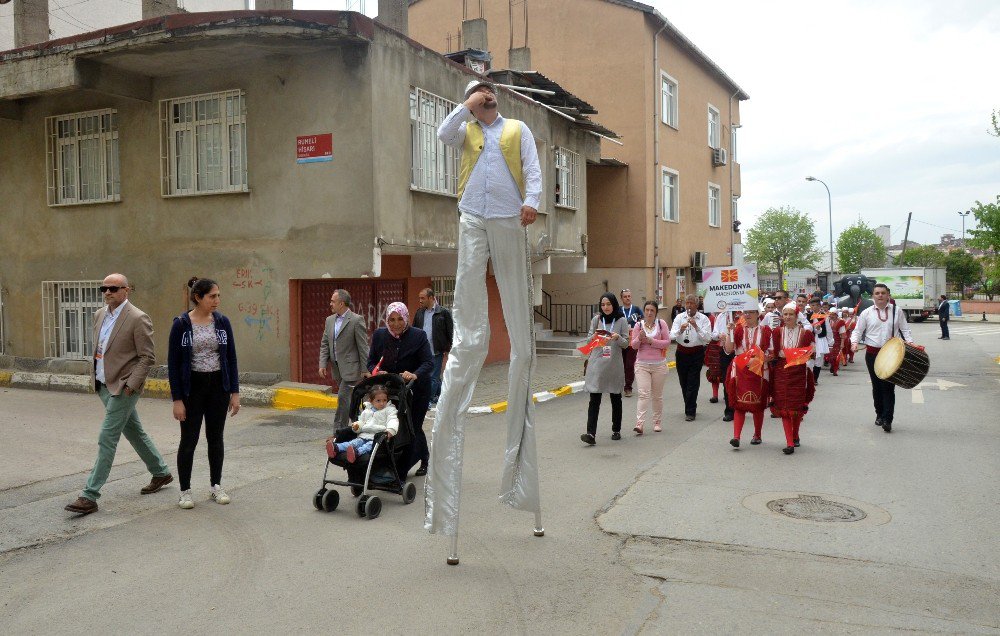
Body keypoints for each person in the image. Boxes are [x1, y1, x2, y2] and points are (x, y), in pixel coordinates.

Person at [427, 78, 545, 560]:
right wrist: (464, 105)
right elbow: (441, 135)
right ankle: (467, 343)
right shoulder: (467, 126)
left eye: (489, 95)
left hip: (507, 217)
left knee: (515, 295)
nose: (486, 99)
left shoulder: (517, 129)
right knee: (469, 298)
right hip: (473, 215)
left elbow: (534, 171)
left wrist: (532, 202)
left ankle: (522, 478)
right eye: (480, 95)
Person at [64, 274, 173, 516]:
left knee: (107, 437)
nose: (107, 292)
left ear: (126, 290)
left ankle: (89, 495)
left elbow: (147, 357)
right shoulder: (100, 314)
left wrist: (131, 385)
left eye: (113, 288)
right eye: (104, 288)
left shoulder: (137, 318)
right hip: (104, 384)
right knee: (134, 431)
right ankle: (161, 472)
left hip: (124, 387)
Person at [168, 277, 241, 509]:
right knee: (189, 440)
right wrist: (177, 399)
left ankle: (216, 486)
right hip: (192, 388)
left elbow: (230, 357)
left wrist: (234, 392)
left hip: (218, 386)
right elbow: (173, 363)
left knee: (215, 438)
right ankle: (185, 491)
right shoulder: (181, 324)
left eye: (219, 295)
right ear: (198, 297)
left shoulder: (222, 322)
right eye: (212, 296)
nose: (217, 300)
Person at [366, 303, 433, 473]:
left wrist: (414, 374)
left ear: (406, 318)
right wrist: (376, 370)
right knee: (400, 426)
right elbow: (371, 361)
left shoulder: (418, 336)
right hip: (393, 391)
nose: (395, 324)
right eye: (391, 319)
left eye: (399, 319)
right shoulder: (380, 335)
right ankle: (407, 459)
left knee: (414, 427)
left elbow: (428, 362)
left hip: (417, 390)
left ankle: (415, 463)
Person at [850, 283, 914, 433]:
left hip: (892, 354)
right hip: (872, 353)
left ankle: (888, 419)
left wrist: (910, 343)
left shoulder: (897, 311)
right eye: (877, 293)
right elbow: (857, 331)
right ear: (873, 296)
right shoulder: (866, 312)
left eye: (883, 293)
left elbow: (905, 330)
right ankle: (879, 413)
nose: (880, 295)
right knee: (877, 386)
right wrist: (853, 343)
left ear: (888, 295)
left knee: (888, 386)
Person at [580, 293, 630, 444]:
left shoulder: (621, 320)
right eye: (603, 305)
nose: (606, 307)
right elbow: (588, 342)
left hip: (613, 364)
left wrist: (617, 338)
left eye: (608, 304)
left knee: (616, 397)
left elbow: (626, 343)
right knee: (594, 398)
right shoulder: (596, 319)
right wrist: (595, 335)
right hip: (597, 364)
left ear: (614, 304)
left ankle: (616, 430)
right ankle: (591, 434)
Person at [319, 289, 370, 432]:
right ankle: (360, 426)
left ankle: (339, 431)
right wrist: (323, 364)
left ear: (342, 303)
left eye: (333, 301)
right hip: (337, 369)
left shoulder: (356, 320)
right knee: (350, 401)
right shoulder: (329, 320)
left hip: (352, 369)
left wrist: (365, 369)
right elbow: (325, 343)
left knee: (342, 398)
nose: (330, 304)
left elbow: (363, 346)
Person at [722, 306, 772, 447]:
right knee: (739, 405)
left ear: (758, 314)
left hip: (759, 370)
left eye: (751, 312)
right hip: (740, 370)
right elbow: (729, 349)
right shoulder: (737, 329)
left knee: (758, 404)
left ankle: (757, 434)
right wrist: (729, 332)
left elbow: (772, 354)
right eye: (746, 312)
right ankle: (736, 437)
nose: (748, 314)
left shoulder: (766, 331)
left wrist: (756, 360)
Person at [770, 302, 816, 455]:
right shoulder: (776, 332)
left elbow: (812, 353)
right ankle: (789, 442)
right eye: (785, 314)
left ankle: (795, 435)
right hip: (781, 372)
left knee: (796, 407)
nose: (788, 317)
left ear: (797, 316)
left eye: (791, 314)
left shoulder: (806, 333)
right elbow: (773, 353)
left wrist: (810, 351)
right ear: (782, 316)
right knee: (783, 408)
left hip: (798, 372)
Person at [326, 384, 399, 464]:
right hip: (363, 435)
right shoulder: (367, 410)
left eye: (384, 400)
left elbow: (393, 420)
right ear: (371, 401)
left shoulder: (389, 410)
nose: (382, 403)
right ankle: (336, 448)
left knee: (367, 446)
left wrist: (390, 430)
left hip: (378, 438)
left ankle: (356, 453)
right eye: (378, 401)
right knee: (353, 443)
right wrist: (357, 426)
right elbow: (361, 422)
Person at [630, 300, 671, 434]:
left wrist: (651, 341)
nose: (649, 313)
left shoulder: (661, 324)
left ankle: (657, 422)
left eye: (652, 310)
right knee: (643, 394)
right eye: (647, 310)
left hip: (659, 365)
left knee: (657, 396)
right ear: (644, 311)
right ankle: (639, 423)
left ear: (656, 312)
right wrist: (639, 339)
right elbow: (633, 345)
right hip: (642, 365)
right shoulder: (638, 325)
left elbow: (667, 342)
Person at [669, 294, 713, 421]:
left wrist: (696, 327)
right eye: (687, 303)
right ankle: (689, 404)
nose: (688, 305)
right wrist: (680, 331)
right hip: (681, 353)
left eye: (691, 303)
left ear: (697, 305)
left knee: (693, 383)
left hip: (696, 353)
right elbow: (671, 335)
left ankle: (690, 411)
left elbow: (708, 338)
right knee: (684, 382)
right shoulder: (679, 317)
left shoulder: (704, 319)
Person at [413, 287, 454, 406]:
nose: (420, 301)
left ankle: (428, 400)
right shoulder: (419, 312)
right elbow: (414, 330)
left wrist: (449, 348)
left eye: (422, 298)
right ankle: (441, 396)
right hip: (422, 351)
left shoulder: (443, 312)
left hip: (436, 350)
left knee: (433, 377)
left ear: (431, 298)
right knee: (427, 375)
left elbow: (450, 331)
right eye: (419, 298)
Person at [619, 289, 642, 397]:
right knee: (621, 364)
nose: (627, 298)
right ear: (621, 298)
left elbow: (643, 321)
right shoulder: (619, 310)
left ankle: (628, 387)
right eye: (625, 296)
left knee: (629, 364)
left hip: (633, 340)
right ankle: (619, 385)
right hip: (621, 339)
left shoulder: (636, 309)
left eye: (629, 296)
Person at [807, 297, 832, 384]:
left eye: (816, 305)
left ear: (819, 306)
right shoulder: (808, 315)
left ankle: (815, 379)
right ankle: (809, 378)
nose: (814, 307)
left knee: (819, 360)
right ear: (810, 306)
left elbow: (828, 329)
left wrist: (830, 342)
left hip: (820, 339)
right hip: (810, 340)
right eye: (812, 305)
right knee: (810, 360)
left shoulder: (824, 316)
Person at [826, 308, 846, 376]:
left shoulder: (841, 322)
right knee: (829, 356)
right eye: (830, 314)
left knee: (836, 357)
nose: (831, 316)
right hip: (828, 341)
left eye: (833, 315)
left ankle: (835, 370)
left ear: (836, 315)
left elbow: (843, 333)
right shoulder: (827, 320)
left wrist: (842, 343)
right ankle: (832, 366)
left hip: (837, 341)